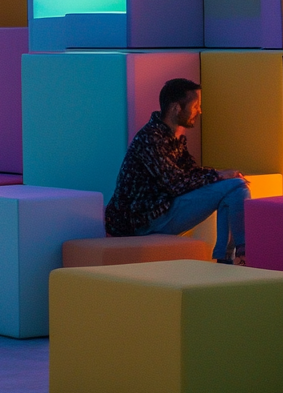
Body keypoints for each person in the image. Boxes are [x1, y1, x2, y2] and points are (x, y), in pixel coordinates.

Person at [104, 78, 251, 264]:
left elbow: (191, 173)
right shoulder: (151, 138)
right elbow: (174, 183)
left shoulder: (173, 138)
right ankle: (242, 253)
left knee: (232, 187)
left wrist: (220, 175)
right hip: (141, 221)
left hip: (159, 211)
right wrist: (217, 175)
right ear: (176, 108)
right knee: (235, 186)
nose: (199, 111)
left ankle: (227, 257)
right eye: (195, 105)